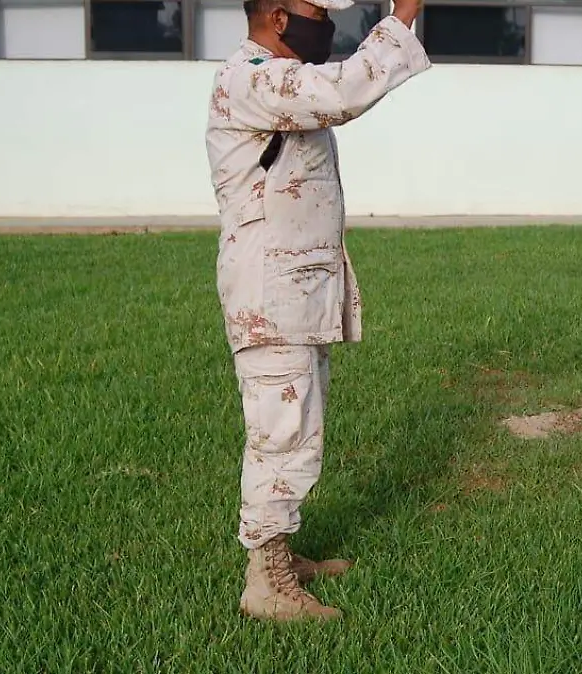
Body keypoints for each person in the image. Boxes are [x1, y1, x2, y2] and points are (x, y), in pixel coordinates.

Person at [204, 0, 430, 622]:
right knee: (280, 433)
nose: (325, 23)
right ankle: (266, 583)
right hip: (271, 297)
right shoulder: (251, 77)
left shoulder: (279, 81)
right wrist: (401, 19)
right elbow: (344, 90)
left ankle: (282, 550)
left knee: (298, 426)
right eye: (312, 11)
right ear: (277, 18)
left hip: (294, 292)